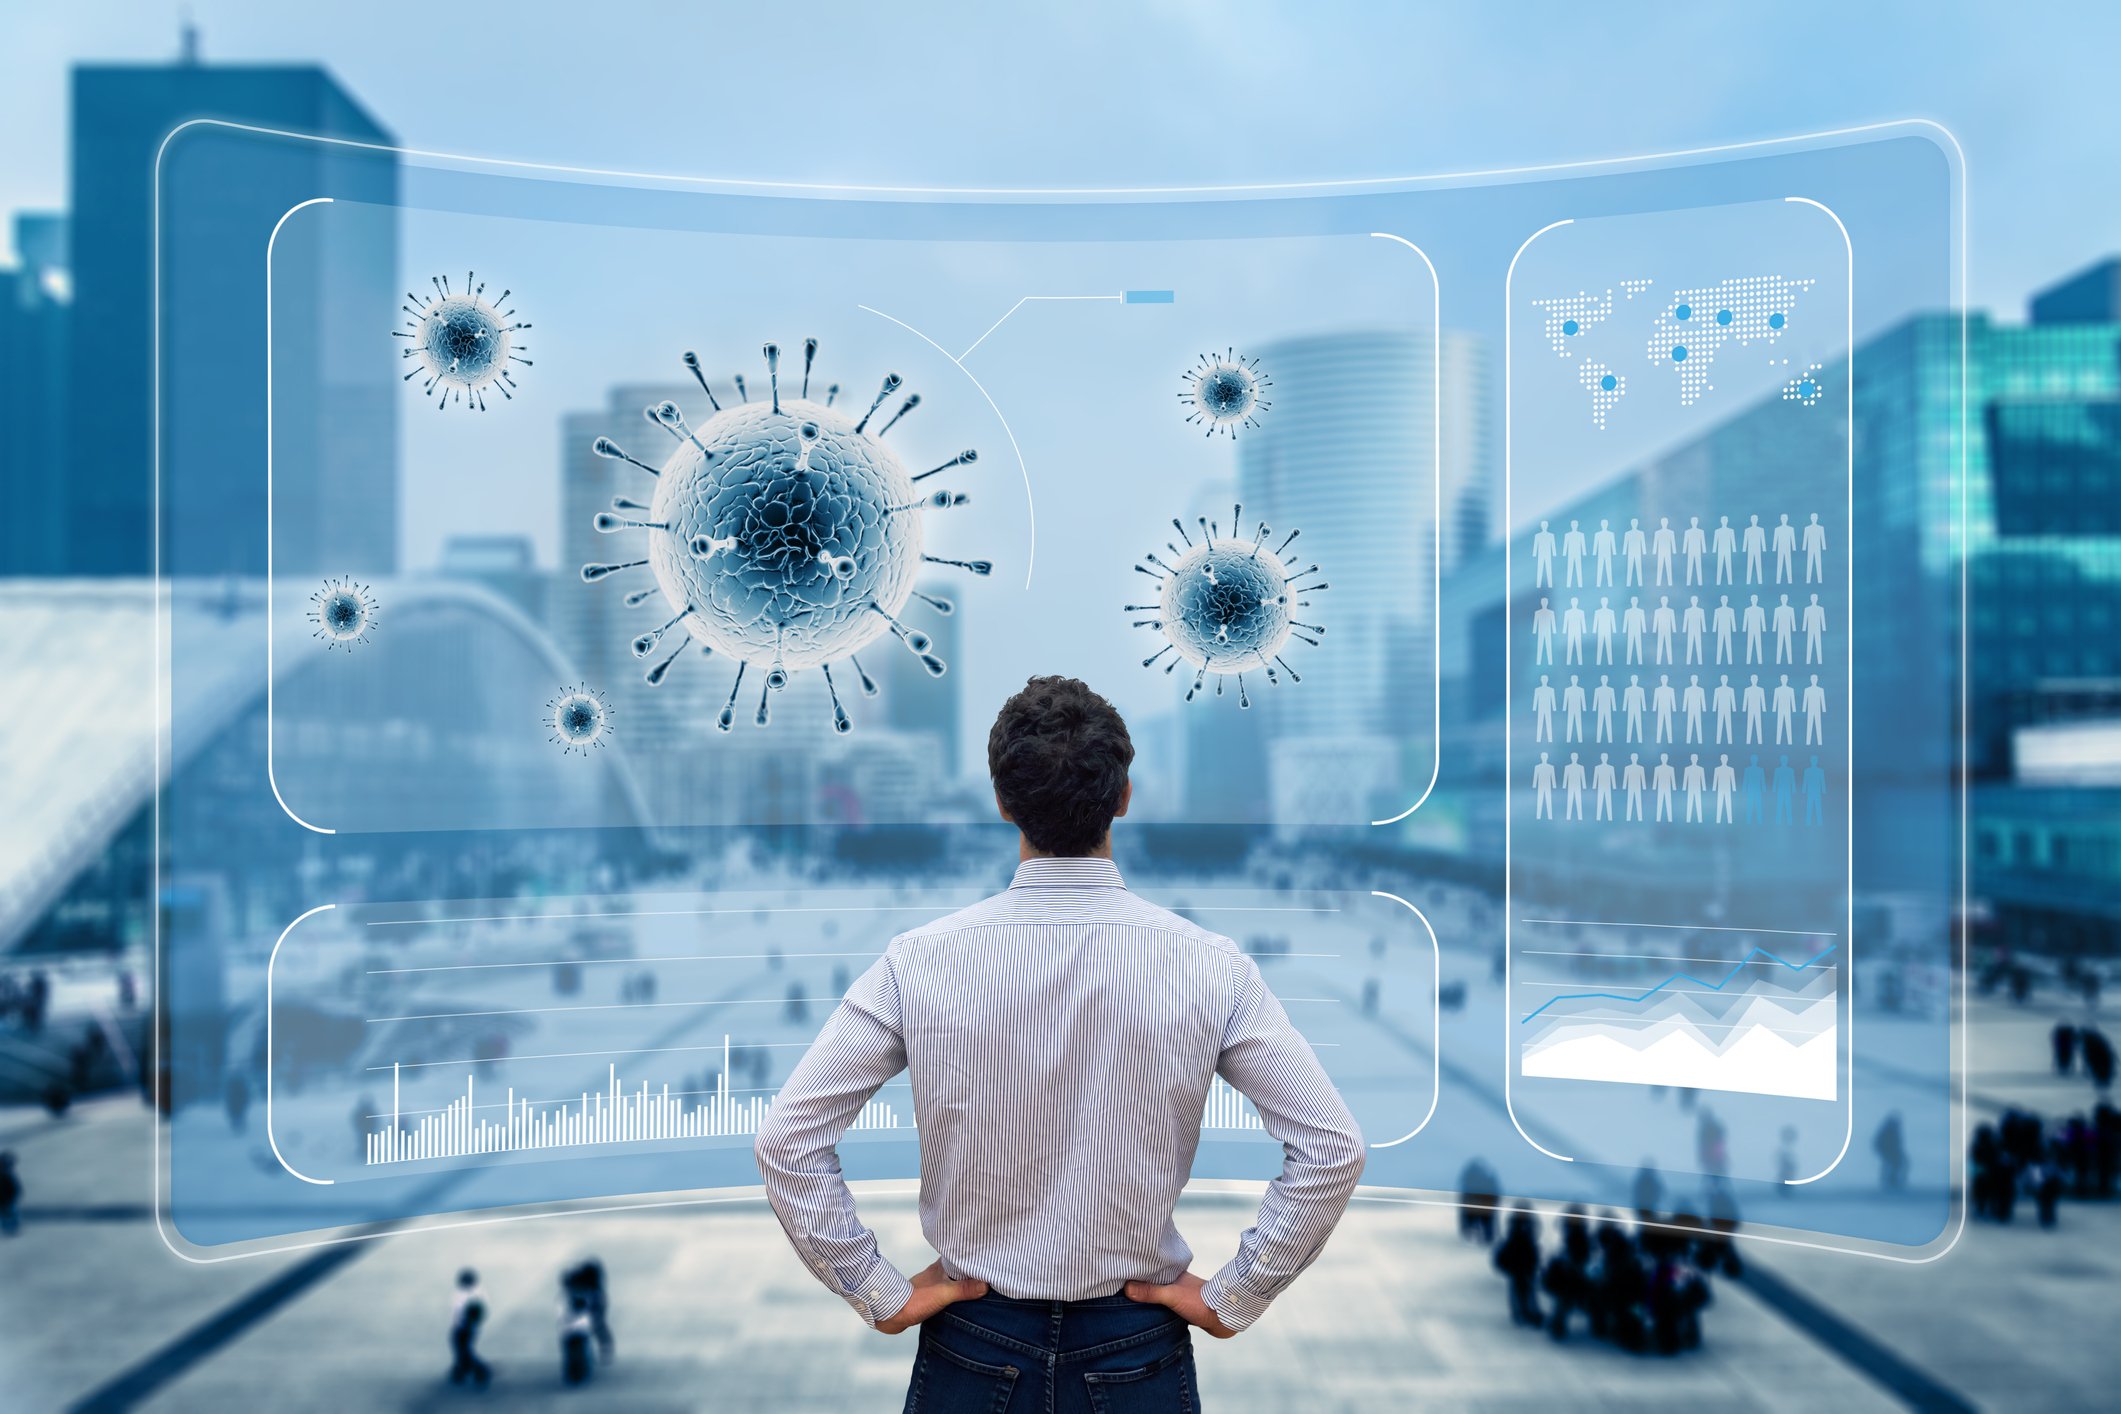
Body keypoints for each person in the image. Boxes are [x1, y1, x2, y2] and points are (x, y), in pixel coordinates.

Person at [755, 677, 1365, 1406]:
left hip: (971, 1343)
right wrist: (1234, 1296)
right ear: (1124, 796)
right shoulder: (1209, 966)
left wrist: (876, 1289)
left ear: (1002, 801)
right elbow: (1333, 1147)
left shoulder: (918, 961)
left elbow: (786, 1141)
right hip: (1137, 1347)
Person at [1494, 1206, 1543, 1328]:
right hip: (1522, 1262)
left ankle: (1522, 1312)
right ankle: (1524, 1312)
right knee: (1524, 1289)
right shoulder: (1524, 1229)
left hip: (1520, 1263)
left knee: (1521, 1289)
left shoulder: (1516, 1227)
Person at [448, 1269, 492, 1389]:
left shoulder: (469, 1295)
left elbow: (464, 1312)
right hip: (467, 1326)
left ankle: (480, 1370)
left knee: (463, 1349)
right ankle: (460, 1371)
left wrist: (463, 1324)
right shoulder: (476, 1292)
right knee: (462, 1348)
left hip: (464, 1327)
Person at [1458, 1158, 1500, 1244]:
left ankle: (1481, 1239)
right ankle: (1480, 1239)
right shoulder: (1486, 1178)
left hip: (1481, 1204)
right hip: (1478, 1205)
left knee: (1484, 1223)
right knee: (1483, 1224)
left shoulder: (1476, 1177)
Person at [560, 1290, 595, 1386]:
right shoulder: (581, 1306)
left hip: (572, 1334)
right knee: (576, 1355)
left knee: (574, 1355)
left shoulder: (566, 1304)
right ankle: (576, 1373)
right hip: (574, 1334)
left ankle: (575, 1373)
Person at [1874, 1112, 1909, 1191]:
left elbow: (1897, 1142)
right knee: (1893, 1166)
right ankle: (1891, 1183)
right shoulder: (1889, 1130)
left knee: (1897, 1165)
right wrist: (1885, 1151)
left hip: (1893, 1151)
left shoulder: (1892, 1130)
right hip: (1889, 1151)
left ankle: (1893, 1182)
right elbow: (1880, 1142)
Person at [0, 1152, 20, 1237]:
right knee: (8, 1214)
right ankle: (10, 1229)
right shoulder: (6, 1175)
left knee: (8, 1213)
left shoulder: (7, 1174)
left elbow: (14, 1187)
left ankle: (10, 1229)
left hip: (7, 1199)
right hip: (6, 1199)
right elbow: (14, 1187)